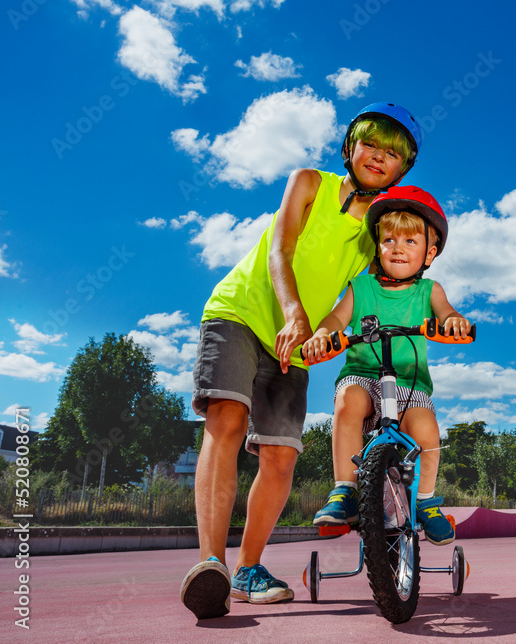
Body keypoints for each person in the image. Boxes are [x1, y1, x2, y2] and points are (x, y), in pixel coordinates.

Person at [180, 103, 422, 619]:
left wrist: (331, 337)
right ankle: (210, 565)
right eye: (371, 145)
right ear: (350, 149)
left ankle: (247, 569)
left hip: (298, 342)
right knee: (226, 420)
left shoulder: (373, 233)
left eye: (393, 154)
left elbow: (360, 297)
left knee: (281, 456)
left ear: (403, 169)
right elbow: (279, 251)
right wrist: (294, 314)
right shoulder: (309, 182)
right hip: (241, 313)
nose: (379, 158)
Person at [301, 186, 471, 546]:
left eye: (410, 241)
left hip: (410, 383)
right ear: (377, 247)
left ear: (430, 252)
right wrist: (322, 334)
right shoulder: (360, 288)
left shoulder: (429, 291)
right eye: (389, 239)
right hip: (363, 375)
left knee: (426, 428)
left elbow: (447, 314)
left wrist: (454, 321)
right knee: (347, 401)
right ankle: (344, 490)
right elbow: (335, 318)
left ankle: (425, 502)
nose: (398, 247)